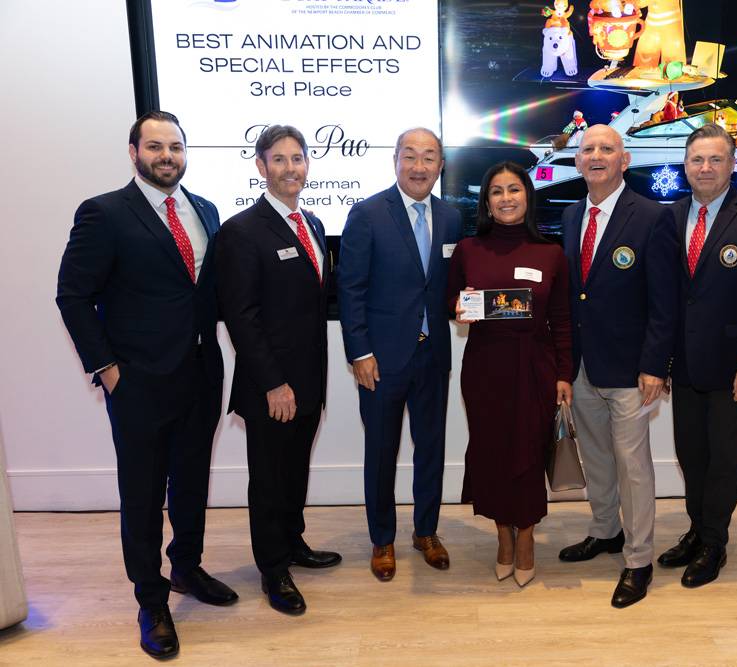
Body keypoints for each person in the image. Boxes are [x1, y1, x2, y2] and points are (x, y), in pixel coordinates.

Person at [56, 111, 236, 659]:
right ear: (134, 152)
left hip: (201, 373)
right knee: (142, 494)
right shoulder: (104, 212)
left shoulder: (206, 210)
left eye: (175, 147)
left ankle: (186, 568)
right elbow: (72, 296)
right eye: (155, 147)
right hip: (138, 382)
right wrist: (107, 369)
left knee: (191, 482)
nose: (167, 156)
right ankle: (151, 601)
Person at [215, 124, 340, 616]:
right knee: (269, 478)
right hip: (272, 385)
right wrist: (273, 383)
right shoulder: (241, 231)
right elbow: (241, 316)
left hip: (309, 380)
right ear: (261, 166)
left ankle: (292, 543)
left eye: (298, 158)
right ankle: (272, 569)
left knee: (294, 470)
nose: (291, 168)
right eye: (280, 159)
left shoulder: (312, 223)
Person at [658, 123, 737, 587]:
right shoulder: (671, 216)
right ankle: (697, 530)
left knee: (725, 459)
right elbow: (668, 297)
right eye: (697, 159)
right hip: (685, 364)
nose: (706, 168)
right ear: (685, 166)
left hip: (736, 367)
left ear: (733, 165)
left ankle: (714, 543)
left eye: (716, 159)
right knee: (691, 455)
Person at [557, 125, 680, 608]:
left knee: (633, 467)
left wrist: (655, 365)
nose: (596, 156)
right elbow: (574, 296)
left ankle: (638, 559)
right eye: (587, 149)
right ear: (577, 161)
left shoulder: (651, 216)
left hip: (632, 370)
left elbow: (665, 302)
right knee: (597, 459)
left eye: (607, 149)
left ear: (624, 160)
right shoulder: (571, 215)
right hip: (584, 366)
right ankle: (605, 530)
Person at [338, 128, 462, 582]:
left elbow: (448, 285)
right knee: (381, 451)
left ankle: (426, 531)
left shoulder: (451, 217)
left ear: (440, 165)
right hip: (381, 359)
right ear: (395, 161)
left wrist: (466, 304)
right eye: (410, 156)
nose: (419, 166)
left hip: (433, 356)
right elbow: (350, 289)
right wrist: (360, 352)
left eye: (429, 157)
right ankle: (382, 539)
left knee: (431, 449)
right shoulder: (367, 213)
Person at [447, 162, 573, 587]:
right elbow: (450, 301)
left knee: (530, 451)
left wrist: (564, 374)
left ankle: (527, 537)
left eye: (514, 189)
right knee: (492, 451)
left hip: (536, 367)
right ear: (486, 201)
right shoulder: (468, 249)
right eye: (497, 191)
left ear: (527, 196)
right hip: (484, 368)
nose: (506, 198)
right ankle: (503, 534)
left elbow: (562, 318)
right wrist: (460, 307)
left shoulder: (550, 253)